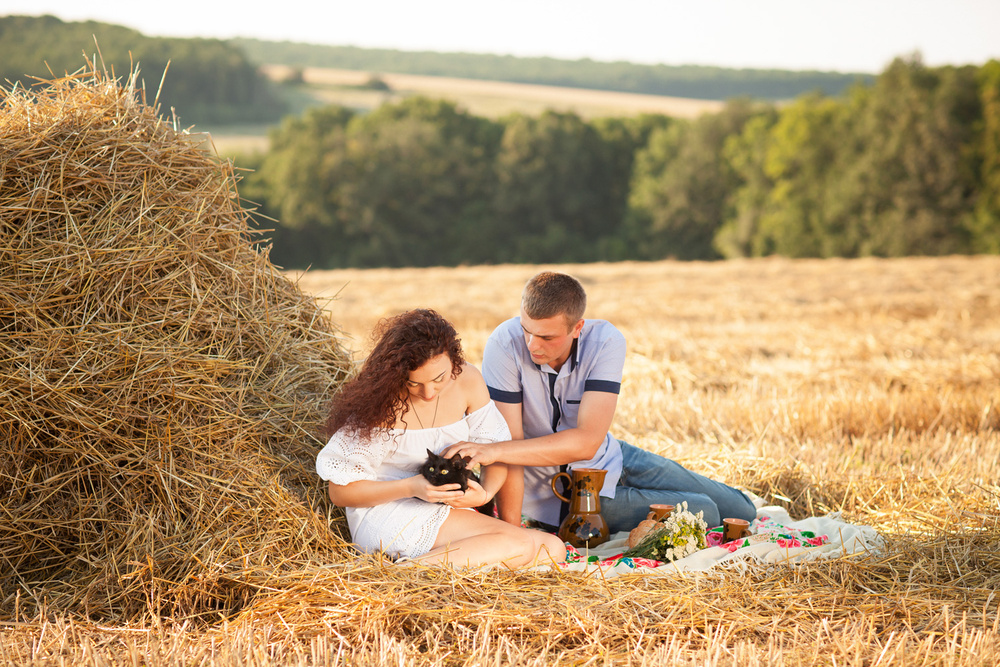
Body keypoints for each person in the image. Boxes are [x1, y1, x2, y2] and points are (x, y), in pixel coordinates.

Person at [443, 272, 757, 534]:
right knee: (709, 512)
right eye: (527, 330)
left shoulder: (606, 340)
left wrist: (493, 450)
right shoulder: (504, 342)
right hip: (570, 496)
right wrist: (512, 532)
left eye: (547, 338)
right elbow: (510, 446)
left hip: (612, 454)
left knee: (743, 509)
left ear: (577, 328)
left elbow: (587, 444)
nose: (532, 345)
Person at [315, 308, 565, 568]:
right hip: (389, 511)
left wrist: (484, 494)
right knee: (521, 545)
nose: (429, 393)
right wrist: (412, 487)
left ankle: (431, 569)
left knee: (553, 549)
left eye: (439, 379)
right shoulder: (381, 403)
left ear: (454, 360)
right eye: (413, 384)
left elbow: (494, 450)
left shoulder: (468, 380)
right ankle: (401, 575)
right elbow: (340, 493)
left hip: (446, 508)